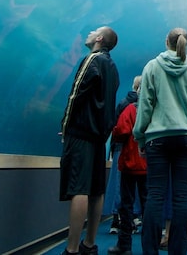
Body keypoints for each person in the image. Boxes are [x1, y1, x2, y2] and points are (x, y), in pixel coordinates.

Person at [133, 28, 187, 255]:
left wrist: (140, 135)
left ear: (166, 41)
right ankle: (178, 251)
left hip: (157, 138)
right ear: (186, 42)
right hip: (186, 137)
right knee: (181, 197)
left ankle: (150, 251)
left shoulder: (152, 67)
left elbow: (145, 105)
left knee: (155, 195)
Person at [60, 27, 121, 255]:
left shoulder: (92, 60)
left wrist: (66, 125)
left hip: (82, 132)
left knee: (79, 188)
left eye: (94, 31)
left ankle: (72, 248)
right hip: (99, 137)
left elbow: (77, 93)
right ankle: (89, 244)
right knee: (96, 190)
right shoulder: (113, 67)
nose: (89, 32)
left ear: (99, 39)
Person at [108, 77, 148, 255]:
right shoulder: (154, 111)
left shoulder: (131, 109)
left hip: (129, 163)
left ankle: (124, 245)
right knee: (149, 204)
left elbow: (121, 131)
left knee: (126, 205)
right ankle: (150, 244)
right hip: (148, 165)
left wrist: (116, 135)